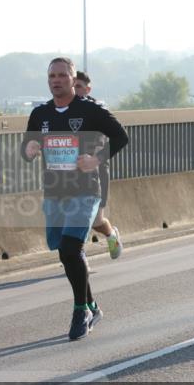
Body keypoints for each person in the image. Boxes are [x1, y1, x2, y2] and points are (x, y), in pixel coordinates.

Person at [20, 58, 129, 340]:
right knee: (66, 253)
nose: (56, 80)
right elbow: (27, 147)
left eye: (61, 75)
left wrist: (97, 159)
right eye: (51, 76)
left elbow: (120, 136)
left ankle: (81, 310)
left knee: (70, 247)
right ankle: (92, 305)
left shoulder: (90, 110)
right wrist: (29, 149)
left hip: (86, 189)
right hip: (55, 191)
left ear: (72, 79)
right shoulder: (40, 114)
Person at [73, 71, 124, 259]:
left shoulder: (97, 109)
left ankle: (111, 235)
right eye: (72, 86)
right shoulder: (59, 110)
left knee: (95, 220)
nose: (75, 90)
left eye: (78, 86)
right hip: (69, 174)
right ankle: (78, 257)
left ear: (88, 89)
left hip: (96, 171)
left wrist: (94, 158)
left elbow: (116, 137)